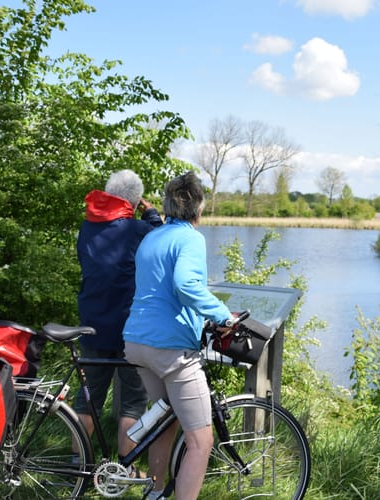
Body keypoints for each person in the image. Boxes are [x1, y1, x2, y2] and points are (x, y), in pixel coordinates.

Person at [122, 171, 233, 500]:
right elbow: (186, 286)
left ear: (168, 206)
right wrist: (222, 315)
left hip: (137, 342)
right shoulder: (190, 239)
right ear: (198, 210)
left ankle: (155, 493)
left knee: (163, 423)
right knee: (201, 442)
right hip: (169, 349)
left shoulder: (153, 237)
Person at [75, 169, 163, 470]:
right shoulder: (137, 230)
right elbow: (160, 240)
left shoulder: (86, 229)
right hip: (129, 328)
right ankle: (125, 468)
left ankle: (79, 465)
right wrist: (150, 214)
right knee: (133, 402)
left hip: (92, 323)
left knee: (88, 398)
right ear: (135, 201)